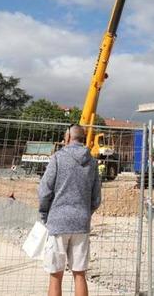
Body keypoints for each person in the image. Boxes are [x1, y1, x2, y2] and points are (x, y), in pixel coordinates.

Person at [38, 125, 102, 296]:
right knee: (80, 274)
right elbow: (96, 198)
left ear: (67, 138)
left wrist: (44, 214)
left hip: (58, 222)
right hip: (81, 223)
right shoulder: (93, 162)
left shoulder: (58, 158)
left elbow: (45, 190)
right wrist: (84, 213)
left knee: (55, 275)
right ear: (83, 139)